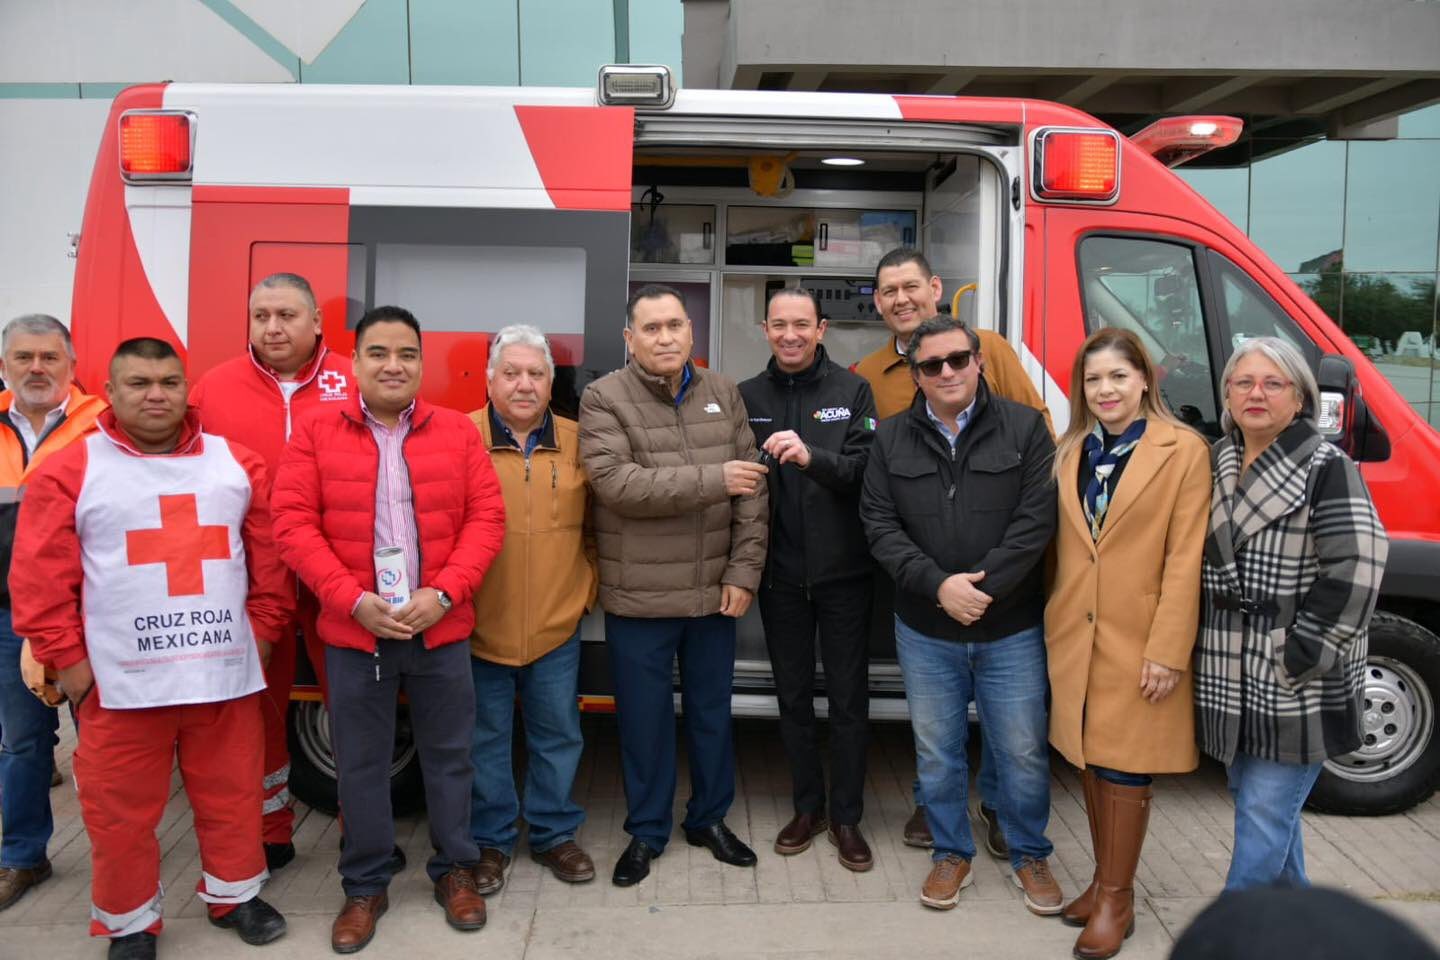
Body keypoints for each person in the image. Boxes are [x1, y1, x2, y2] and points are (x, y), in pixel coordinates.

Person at [11, 337, 293, 960]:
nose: (156, 395)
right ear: (109, 392)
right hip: (120, 684)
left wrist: (265, 632)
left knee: (232, 794)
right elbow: (39, 577)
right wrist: (70, 662)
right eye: (139, 383)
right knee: (119, 812)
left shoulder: (236, 463)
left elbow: (269, 561)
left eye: (169, 382)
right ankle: (130, 922)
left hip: (220, 675)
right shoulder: (71, 469)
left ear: (186, 390)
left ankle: (235, 895)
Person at [271, 306, 506, 952]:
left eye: (406, 354)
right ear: (355, 363)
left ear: (422, 364)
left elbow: (487, 520)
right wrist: (349, 599)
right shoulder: (315, 432)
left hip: (440, 627)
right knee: (361, 766)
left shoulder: (456, 433)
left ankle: (456, 869)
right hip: (357, 632)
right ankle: (365, 885)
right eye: (378, 353)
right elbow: (291, 522)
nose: (393, 365)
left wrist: (445, 593)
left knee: (451, 757)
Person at [853, 247, 1052, 854]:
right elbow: (872, 486)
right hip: (920, 587)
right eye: (889, 291)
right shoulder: (867, 374)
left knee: (1013, 735)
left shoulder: (992, 350)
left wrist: (987, 583)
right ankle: (937, 817)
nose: (901, 299)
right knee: (935, 734)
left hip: (1004, 594)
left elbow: (1036, 451)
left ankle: (996, 807)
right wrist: (936, 582)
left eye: (910, 286)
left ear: (935, 287)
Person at [578, 283, 768, 888]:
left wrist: (743, 573)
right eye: (651, 328)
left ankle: (709, 819)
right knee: (645, 723)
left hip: (714, 595)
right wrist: (714, 479)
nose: (665, 337)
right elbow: (617, 484)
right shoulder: (603, 397)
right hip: (640, 599)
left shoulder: (723, 392)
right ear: (629, 338)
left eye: (675, 325)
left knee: (713, 716)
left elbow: (753, 492)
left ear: (691, 331)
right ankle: (647, 830)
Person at [1196, 336, 1387, 892]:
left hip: (1295, 671)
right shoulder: (1218, 458)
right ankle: (1298, 916)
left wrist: (1302, 652)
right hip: (1230, 666)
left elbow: (1359, 565)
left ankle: (1236, 927)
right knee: (1257, 802)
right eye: (1243, 382)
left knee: (1264, 809)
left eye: (1272, 383)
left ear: (1299, 398)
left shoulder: (1327, 465)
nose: (1256, 394)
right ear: (1227, 395)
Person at [1045, 328, 1210, 959]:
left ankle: (1117, 898)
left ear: (1145, 379)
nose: (1105, 389)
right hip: (1076, 634)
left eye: (1118, 376)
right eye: (1093, 379)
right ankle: (1102, 882)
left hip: (1139, 637)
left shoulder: (1182, 449)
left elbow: (1185, 557)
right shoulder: (1072, 450)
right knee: (1091, 758)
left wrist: (1168, 650)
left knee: (1124, 765)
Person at [190, 272, 355, 870]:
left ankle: (360, 827)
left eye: (287, 315)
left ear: (316, 322)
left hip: (336, 572)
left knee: (353, 704)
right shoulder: (214, 389)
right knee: (258, 708)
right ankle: (270, 828)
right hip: (252, 576)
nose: (273, 327)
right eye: (261, 316)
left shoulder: (352, 381)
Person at [738, 288, 878, 871]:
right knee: (792, 698)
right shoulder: (747, 395)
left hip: (845, 575)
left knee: (848, 700)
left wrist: (811, 457)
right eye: (779, 324)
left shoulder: (852, 391)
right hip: (780, 577)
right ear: (765, 330)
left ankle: (846, 817)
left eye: (801, 324)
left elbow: (867, 471)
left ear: (821, 329)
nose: (790, 334)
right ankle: (807, 808)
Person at [466, 324, 598, 893]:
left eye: (536, 374)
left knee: (559, 734)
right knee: (484, 739)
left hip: (555, 624)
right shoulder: (460, 437)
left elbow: (599, 527)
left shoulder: (581, 441)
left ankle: (552, 833)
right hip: (477, 626)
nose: (524, 384)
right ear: (490, 380)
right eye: (512, 373)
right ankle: (490, 841)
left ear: (551, 381)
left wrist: (584, 590)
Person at [0, 314, 106, 912]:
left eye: (49, 357)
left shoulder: (103, 425)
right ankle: (23, 857)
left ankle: (118, 858)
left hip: (92, 615)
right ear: (4, 366)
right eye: (23, 357)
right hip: (7, 617)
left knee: (105, 743)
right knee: (22, 743)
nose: (36, 368)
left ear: (72, 365)